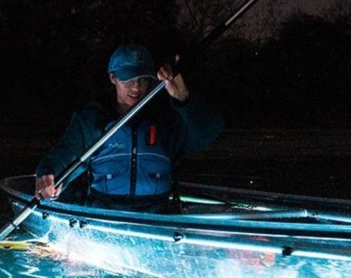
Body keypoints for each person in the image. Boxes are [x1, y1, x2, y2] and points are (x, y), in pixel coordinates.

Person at [35, 44, 224, 212]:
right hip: (105, 215)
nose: (136, 87)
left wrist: (183, 98)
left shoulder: (167, 120)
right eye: (128, 79)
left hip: (158, 216)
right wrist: (49, 174)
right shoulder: (92, 120)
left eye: (143, 80)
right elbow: (65, 154)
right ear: (113, 78)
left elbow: (208, 133)